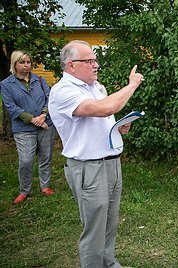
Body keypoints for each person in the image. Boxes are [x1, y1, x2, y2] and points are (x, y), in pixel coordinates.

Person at [48, 40, 144, 267]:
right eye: (89, 60)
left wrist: (120, 125)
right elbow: (105, 108)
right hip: (88, 168)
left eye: (95, 60)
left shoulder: (95, 87)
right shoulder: (63, 91)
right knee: (94, 228)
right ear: (71, 65)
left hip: (111, 163)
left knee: (110, 222)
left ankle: (109, 263)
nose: (95, 65)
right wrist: (132, 85)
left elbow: (104, 116)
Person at [1, 50, 56, 204]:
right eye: (22, 62)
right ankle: (25, 190)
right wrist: (33, 120)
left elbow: (50, 99)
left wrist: (44, 115)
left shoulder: (40, 80)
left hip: (46, 125)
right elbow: (11, 107)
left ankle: (45, 186)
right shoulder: (6, 84)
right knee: (25, 160)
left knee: (45, 157)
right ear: (14, 64)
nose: (26, 65)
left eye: (28, 62)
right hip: (23, 128)